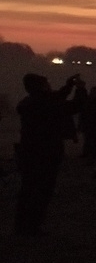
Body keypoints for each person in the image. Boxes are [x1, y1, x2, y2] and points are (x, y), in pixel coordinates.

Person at [14, 73, 78, 236]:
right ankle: (32, 227)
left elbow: (54, 98)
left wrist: (68, 86)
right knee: (41, 191)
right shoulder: (45, 104)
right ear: (41, 86)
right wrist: (80, 90)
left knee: (28, 189)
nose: (49, 85)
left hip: (30, 152)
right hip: (46, 153)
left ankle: (22, 225)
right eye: (46, 83)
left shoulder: (30, 103)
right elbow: (71, 107)